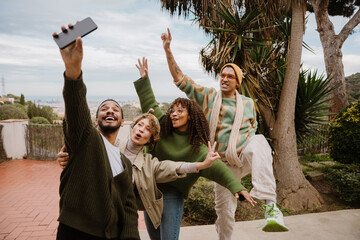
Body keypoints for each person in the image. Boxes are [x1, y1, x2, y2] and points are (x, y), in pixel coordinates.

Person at [160, 28, 288, 239]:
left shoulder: (248, 104)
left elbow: (252, 129)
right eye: (223, 75)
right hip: (222, 164)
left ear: (237, 82)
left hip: (242, 156)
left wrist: (247, 147)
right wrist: (168, 51)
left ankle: (271, 207)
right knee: (225, 214)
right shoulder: (209, 97)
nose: (225, 79)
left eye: (231, 76)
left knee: (259, 141)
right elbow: (181, 80)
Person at [134, 57, 256, 240]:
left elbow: (217, 168)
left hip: (173, 194)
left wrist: (237, 187)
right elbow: (149, 102)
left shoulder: (197, 148)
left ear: (190, 116)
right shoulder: (162, 127)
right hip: (150, 190)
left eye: (180, 111)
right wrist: (144, 79)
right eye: (172, 111)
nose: (174, 114)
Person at [58, 109, 222, 230]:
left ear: (151, 139)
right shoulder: (110, 145)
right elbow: (85, 152)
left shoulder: (149, 163)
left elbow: (173, 166)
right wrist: (68, 158)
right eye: (140, 125)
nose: (142, 129)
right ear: (133, 127)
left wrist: (201, 165)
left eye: (148, 129)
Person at [53, 24, 140, 240]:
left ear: (122, 122)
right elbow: (76, 110)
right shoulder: (86, 139)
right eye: (104, 108)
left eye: (116, 109)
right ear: (96, 118)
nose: (110, 110)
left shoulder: (125, 164)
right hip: (75, 231)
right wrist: (73, 71)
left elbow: (129, 207)